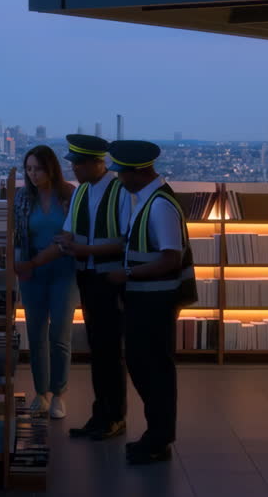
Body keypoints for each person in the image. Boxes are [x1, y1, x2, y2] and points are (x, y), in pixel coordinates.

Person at [28, 134, 127, 439]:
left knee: (109, 350)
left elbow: (126, 240)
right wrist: (66, 241)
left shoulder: (120, 191)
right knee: (99, 349)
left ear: (99, 163)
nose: (76, 170)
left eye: (81, 164)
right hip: (86, 276)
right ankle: (102, 414)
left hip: (108, 279)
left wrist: (84, 251)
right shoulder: (82, 192)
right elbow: (70, 230)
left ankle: (114, 415)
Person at [104, 140, 196, 465]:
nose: (119, 178)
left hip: (155, 302)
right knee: (145, 367)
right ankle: (155, 436)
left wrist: (127, 274)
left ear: (139, 172)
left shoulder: (159, 206)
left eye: (123, 172)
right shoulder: (147, 200)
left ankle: (158, 438)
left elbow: (171, 259)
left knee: (154, 370)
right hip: (146, 300)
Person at [12, 145, 78, 418]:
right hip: (33, 272)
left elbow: (72, 235)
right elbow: (18, 235)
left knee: (60, 333)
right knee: (36, 332)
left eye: (37, 168)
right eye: (28, 169)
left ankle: (59, 393)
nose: (33, 174)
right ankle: (41, 392)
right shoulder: (23, 198)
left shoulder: (70, 195)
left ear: (50, 168)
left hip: (64, 270)